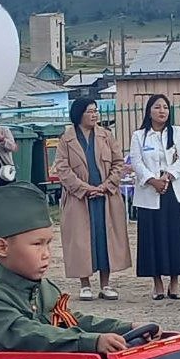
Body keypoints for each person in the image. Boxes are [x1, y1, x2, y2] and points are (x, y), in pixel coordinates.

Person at [0, 182, 146, 353]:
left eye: (48, 243)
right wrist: (89, 342)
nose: (46, 253)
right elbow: (28, 334)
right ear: (3, 248)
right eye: (37, 244)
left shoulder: (46, 289)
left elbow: (72, 321)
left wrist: (125, 328)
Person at [54, 98, 132, 300]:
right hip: (79, 199)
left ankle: (105, 284)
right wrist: (85, 189)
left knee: (105, 238)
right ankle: (85, 284)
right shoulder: (66, 139)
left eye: (96, 111)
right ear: (79, 114)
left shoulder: (106, 136)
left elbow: (118, 163)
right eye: (90, 111)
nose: (94, 115)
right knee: (81, 240)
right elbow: (62, 169)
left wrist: (106, 186)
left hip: (105, 197)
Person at [130, 94, 180, 300]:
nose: (162, 111)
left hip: (173, 191)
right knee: (152, 237)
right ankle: (157, 283)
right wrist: (153, 180)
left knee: (174, 236)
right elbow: (137, 162)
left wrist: (167, 177)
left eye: (165, 108)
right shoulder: (139, 136)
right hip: (150, 192)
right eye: (157, 107)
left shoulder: (177, 132)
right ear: (149, 111)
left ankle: (174, 282)